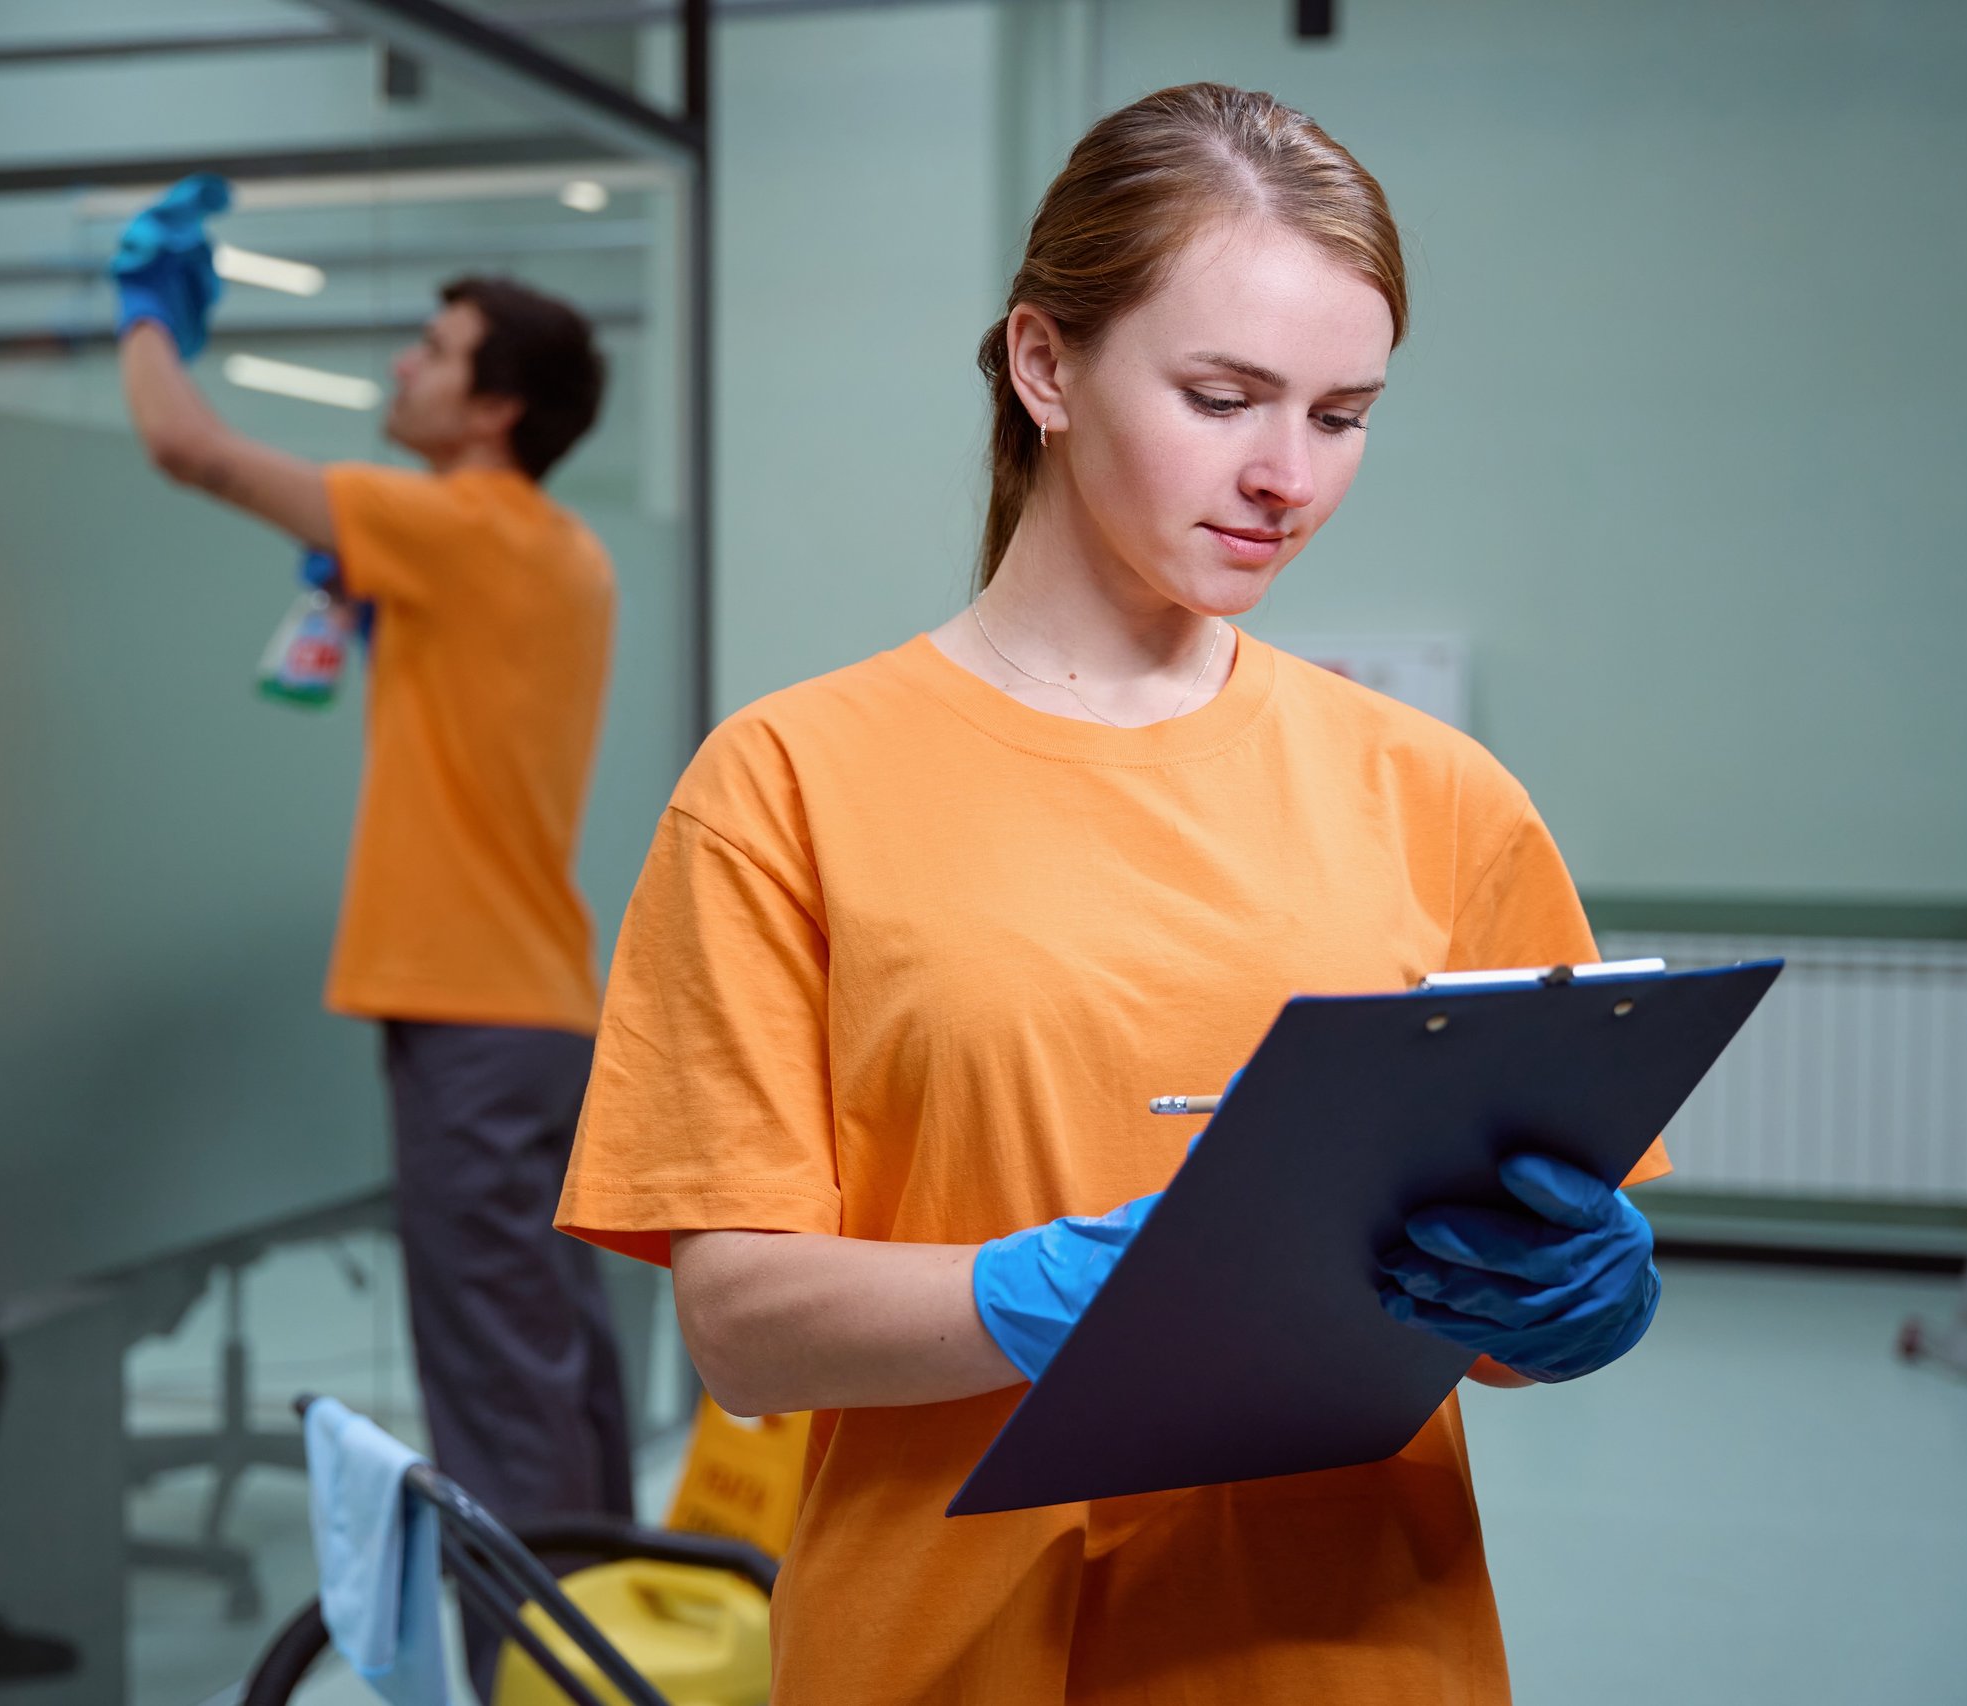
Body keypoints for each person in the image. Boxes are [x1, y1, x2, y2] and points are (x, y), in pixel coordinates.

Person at [557, 84, 1667, 1703]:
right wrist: (1053, 1289)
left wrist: (1565, 1290)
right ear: (1045, 363)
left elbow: (1494, 1299)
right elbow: (739, 1324)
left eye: (1343, 415)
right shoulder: (786, 783)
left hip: (1348, 1645)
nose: (1286, 475)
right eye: (1223, 397)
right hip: (950, 1648)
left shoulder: (1438, 798)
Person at [109, 177, 635, 1668]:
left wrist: (148, 318)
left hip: (470, 1018)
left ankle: (532, 1678)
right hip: (542, 1010)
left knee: (494, 1385)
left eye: (435, 346)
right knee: (560, 1367)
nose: (403, 363)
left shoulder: (455, 528)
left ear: (497, 407)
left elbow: (182, 442)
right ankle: (604, 1647)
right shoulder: (560, 552)